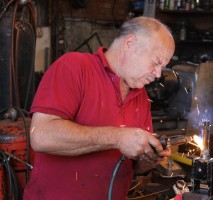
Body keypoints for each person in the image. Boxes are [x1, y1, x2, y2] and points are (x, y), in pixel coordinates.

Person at [23, 16, 175, 200]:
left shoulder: (140, 96)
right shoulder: (74, 67)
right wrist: (117, 138)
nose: (158, 74)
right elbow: (41, 136)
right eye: (156, 62)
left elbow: (132, 167)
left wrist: (148, 159)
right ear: (130, 43)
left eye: (163, 67)